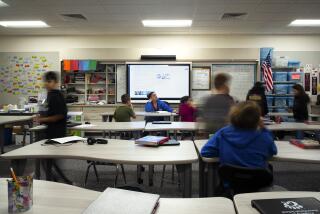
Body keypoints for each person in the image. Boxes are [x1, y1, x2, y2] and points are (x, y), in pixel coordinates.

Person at [201, 101, 277, 169]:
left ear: (233, 116)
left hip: (230, 183)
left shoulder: (223, 133)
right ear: (258, 118)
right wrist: (264, 128)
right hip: (258, 183)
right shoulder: (263, 136)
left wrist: (223, 150)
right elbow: (273, 151)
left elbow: (205, 152)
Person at [35, 71, 71, 183]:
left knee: (48, 159)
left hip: (57, 133)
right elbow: (50, 112)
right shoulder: (49, 95)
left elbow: (58, 116)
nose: (47, 84)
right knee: (47, 160)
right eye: (46, 81)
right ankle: (56, 179)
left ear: (55, 82)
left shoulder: (56, 95)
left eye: (50, 81)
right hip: (51, 131)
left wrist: (41, 119)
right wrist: (42, 115)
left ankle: (60, 180)